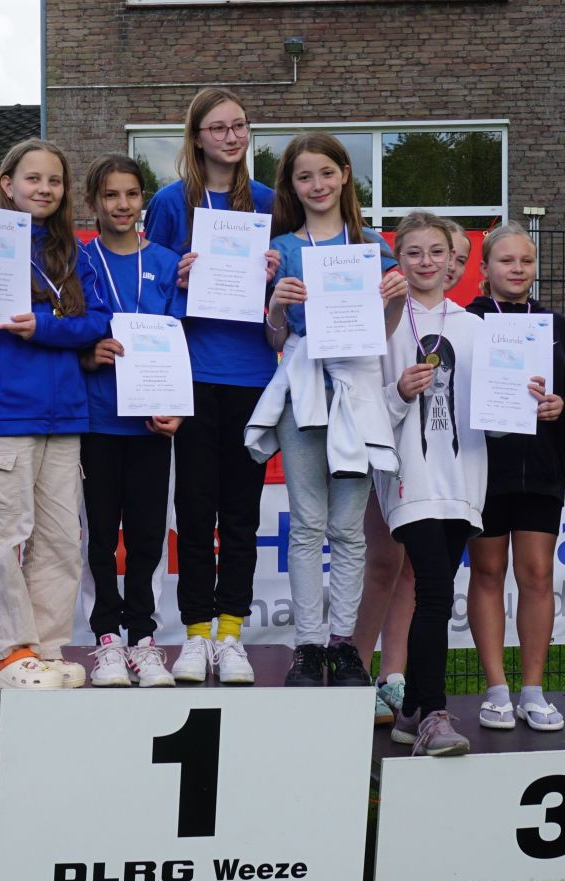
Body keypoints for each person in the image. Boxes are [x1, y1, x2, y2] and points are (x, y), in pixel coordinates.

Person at [0, 138, 111, 692]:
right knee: (5, 538)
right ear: (7, 184)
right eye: (33, 179)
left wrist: (43, 327)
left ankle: (45, 648)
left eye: (54, 180)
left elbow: (98, 321)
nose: (44, 189)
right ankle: (7, 652)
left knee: (60, 539)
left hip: (65, 418)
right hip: (6, 417)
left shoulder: (76, 252)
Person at [246, 132, 404, 687]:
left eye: (326, 173)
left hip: (356, 392)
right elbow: (275, 339)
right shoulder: (281, 248)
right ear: (291, 186)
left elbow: (383, 334)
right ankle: (309, 646)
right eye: (304, 177)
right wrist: (276, 306)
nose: (317, 185)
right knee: (308, 524)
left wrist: (394, 300)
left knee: (349, 529)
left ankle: (345, 646)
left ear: (344, 175)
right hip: (304, 391)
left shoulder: (373, 247)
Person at [143, 87, 279, 684]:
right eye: (218, 128)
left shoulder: (270, 201)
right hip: (194, 375)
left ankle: (231, 633)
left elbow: (290, 287)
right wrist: (176, 277)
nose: (231, 137)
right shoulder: (170, 202)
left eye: (239, 126)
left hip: (253, 374)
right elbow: (150, 289)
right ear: (196, 137)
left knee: (242, 514)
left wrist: (274, 274)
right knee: (196, 511)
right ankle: (196, 634)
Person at [375, 212, 488, 756]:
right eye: (414, 252)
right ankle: (435, 716)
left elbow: (494, 410)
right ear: (398, 259)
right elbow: (364, 408)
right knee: (437, 591)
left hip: (464, 480)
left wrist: (531, 402)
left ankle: (411, 711)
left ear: (453, 260)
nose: (426, 262)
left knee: (434, 593)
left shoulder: (475, 328)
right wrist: (399, 391)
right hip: (410, 478)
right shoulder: (384, 325)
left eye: (436, 252)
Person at [463, 222, 565, 731]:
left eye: (526, 261)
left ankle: (533, 691)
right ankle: (496, 691)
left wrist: (562, 405)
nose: (517, 269)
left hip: (541, 468)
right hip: (482, 469)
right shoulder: (465, 322)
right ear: (485, 267)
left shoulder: (558, 327)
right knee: (487, 573)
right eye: (506, 260)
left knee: (536, 575)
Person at [77, 154, 184, 688]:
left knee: (146, 536)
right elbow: (67, 332)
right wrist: (85, 355)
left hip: (150, 425)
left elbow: (181, 340)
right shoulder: (78, 260)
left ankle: (143, 637)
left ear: (143, 199)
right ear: (93, 202)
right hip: (97, 421)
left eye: (132, 194)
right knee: (99, 536)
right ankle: (105, 638)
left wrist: (176, 409)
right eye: (111, 195)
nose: (122, 204)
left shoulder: (167, 262)